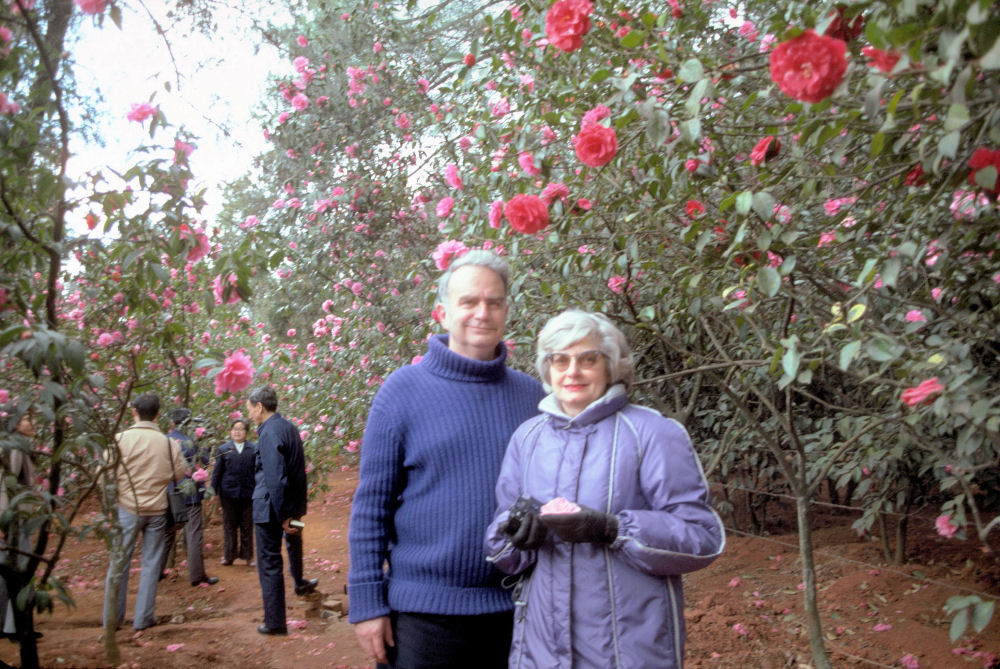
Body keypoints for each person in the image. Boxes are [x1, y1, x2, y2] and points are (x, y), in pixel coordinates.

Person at [484, 310, 726, 669]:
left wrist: (613, 529)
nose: (572, 371)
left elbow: (703, 538)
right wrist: (515, 535)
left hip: (628, 651)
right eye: (559, 359)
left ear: (611, 365)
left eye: (588, 359)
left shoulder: (654, 433)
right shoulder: (528, 438)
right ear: (546, 368)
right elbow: (501, 544)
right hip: (540, 650)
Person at [348, 249, 546, 668]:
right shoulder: (401, 392)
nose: (482, 312)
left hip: (519, 611)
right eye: (469, 301)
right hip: (424, 618)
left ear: (506, 311)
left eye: (494, 302)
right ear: (442, 312)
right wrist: (367, 603)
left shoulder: (533, 397)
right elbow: (371, 508)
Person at [103, 393, 187, 632]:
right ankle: (143, 619)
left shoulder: (119, 440)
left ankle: (112, 619)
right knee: (151, 564)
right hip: (158, 509)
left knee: (120, 562)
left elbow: (105, 474)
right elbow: (179, 475)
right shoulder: (168, 443)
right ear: (158, 415)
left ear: (134, 412)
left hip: (128, 508)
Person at [246, 385, 317, 636]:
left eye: (250, 410)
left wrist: (285, 514)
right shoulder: (289, 427)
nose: (250, 415)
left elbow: (276, 476)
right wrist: (295, 512)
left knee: (270, 562)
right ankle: (300, 582)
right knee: (296, 543)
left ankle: (275, 622)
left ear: (259, 407)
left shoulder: (268, 432)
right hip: (294, 507)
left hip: (271, 509)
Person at [162, 408, 218, 587]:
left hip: (167, 493)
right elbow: (206, 462)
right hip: (190, 495)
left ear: (172, 423)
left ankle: (156, 572)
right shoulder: (192, 441)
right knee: (193, 534)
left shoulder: (164, 440)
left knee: (166, 533)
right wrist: (205, 445)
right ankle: (196, 576)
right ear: (189, 423)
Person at [0, 408, 38, 641]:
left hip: (10, 516)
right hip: (13, 518)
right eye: (26, 419)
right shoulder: (15, 446)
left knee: (4, 570)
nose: (31, 422)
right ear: (14, 423)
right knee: (21, 569)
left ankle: (5, 624)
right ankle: (18, 627)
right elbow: (6, 484)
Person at [211, 419, 257, 566]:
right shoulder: (223, 449)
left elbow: (257, 471)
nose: (237, 431)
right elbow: (217, 472)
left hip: (248, 493)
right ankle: (229, 555)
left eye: (241, 429)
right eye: (235, 429)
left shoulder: (253, 449)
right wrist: (213, 491)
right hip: (228, 494)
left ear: (246, 432)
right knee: (229, 525)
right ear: (230, 431)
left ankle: (248, 556)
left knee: (247, 525)